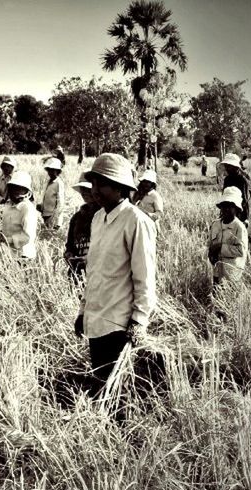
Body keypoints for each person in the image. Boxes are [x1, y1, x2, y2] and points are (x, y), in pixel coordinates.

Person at [74, 153, 156, 395]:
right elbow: (95, 272)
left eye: (101, 183)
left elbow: (145, 277)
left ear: (120, 187)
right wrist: (83, 311)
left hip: (119, 324)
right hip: (96, 319)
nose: (95, 189)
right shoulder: (98, 218)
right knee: (100, 386)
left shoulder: (137, 222)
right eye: (94, 182)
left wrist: (138, 322)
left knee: (119, 393)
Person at [208, 187, 248, 285]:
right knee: (216, 292)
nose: (226, 209)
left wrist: (220, 247)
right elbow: (209, 244)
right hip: (216, 269)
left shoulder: (239, 227)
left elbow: (241, 250)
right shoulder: (215, 224)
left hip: (232, 272)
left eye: (230, 206)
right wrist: (210, 254)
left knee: (229, 296)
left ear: (237, 209)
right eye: (224, 205)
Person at [64, 173, 99, 284]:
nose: (84, 192)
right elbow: (70, 244)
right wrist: (69, 254)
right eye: (82, 189)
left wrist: (88, 259)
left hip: (98, 273)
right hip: (77, 272)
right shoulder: (76, 218)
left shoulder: (104, 216)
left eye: (88, 189)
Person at [0, 171, 39, 260]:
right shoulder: (9, 205)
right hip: (8, 254)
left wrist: (7, 240)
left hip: (23, 256)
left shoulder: (27, 209)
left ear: (27, 191)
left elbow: (27, 236)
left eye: (19, 188)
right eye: (13, 187)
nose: (15, 191)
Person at [217, 153, 250, 224]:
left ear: (235, 167)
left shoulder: (242, 180)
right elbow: (224, 196)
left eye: (229, 166)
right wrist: (222, 213)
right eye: (226, 166)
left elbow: (245, 200)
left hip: (239, 211)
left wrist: (245, 217)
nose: (227, 168)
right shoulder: (227, 179)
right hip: (227, 212)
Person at [39, 157, 65, 229]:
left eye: (53, 170)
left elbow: (60, 203)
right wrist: (41, 206)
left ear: (58, 171)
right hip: (45, 214)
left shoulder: (59, 183)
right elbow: (45, 196)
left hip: (53, 216)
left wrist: (55, 219)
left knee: (51, 233)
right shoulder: (47, 182)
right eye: (49, 170)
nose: (50, 173)